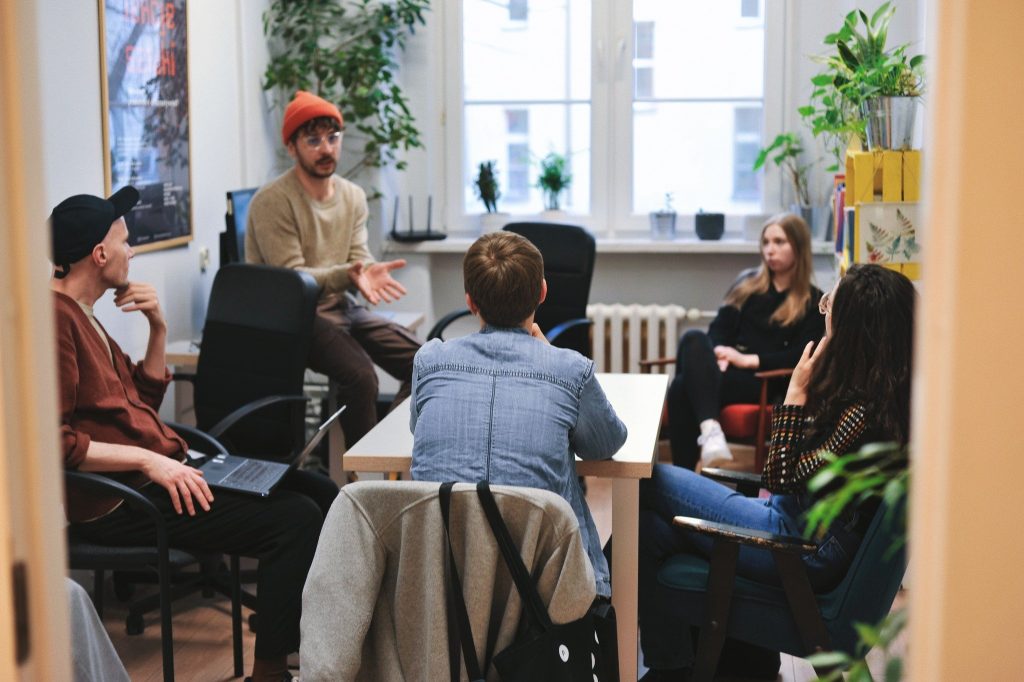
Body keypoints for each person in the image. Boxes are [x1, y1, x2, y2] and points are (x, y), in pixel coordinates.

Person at [51, 187, 337, 682]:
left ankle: (299, 636)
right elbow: (54, 444)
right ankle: (271, 670)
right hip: (120, 503)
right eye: (125, 242)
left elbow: (139, 403)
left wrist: (157, 328)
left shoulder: (86, 315)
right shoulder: (55, 320)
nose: (132, 251)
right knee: (293, 519)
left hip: (163, 475)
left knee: (320, 490)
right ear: (99, 255)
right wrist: (147, 462)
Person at [637, 264, 916, 681]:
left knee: (648, 480)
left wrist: (794, 396)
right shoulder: (883, 397)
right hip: (799, 530)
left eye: (829, 306)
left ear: (852, 326)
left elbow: (780, 477)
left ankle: (658, 661)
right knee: (644, 529)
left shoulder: (861, 414)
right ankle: (677, 666)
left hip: (797, 544)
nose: (825, 315)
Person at [409, 232, 627, 598]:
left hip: (443, 590)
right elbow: (605, 444)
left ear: (470, 301)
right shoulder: (569, 369)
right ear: (542, 292)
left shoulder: (430, 361)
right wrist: (552, 357)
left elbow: (418, 427)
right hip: (546, 589)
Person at [246, 90, 421, 449]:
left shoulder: (353, 196)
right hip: (291, 315)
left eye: (333, 138)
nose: (326, 149)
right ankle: (364, 484)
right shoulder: (272, 201)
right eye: (313, 141)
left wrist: (366, 271)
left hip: (339, 304)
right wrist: (349, 273)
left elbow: (357, 256)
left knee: (428, 364)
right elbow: (293, 281)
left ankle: (385, 452)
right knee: (361, 378)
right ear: (291, 147)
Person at [667, 213, 825, 470]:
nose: (770, 250)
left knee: (682, 386)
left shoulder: (811, 302)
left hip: (762, 381)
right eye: (765, 242)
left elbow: (801, 355)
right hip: (723, 372)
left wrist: (748, 359)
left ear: (799, 247)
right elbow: (719, 328)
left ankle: (683, 475)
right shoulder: (747, 285)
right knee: (693, 338)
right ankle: (711, 433)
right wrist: (719, 353)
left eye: (779, 242)